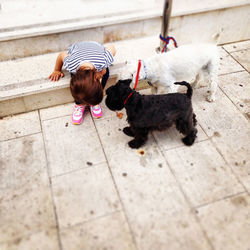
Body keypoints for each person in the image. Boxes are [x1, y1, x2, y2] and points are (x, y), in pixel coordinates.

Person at [49, 41, 116, 124]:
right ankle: (79, 104)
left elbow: (111, 47)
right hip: (77, 51)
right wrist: (57, 70)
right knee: (78, 82)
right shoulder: (71, 64)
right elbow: (61, 55)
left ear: (98, 77)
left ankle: (94, 101)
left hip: (94, 47)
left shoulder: (103, 60)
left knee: (106, 73)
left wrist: (105, 52)